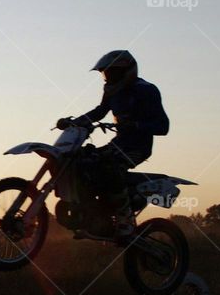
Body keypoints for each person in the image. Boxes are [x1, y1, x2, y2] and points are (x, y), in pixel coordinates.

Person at [56, 50, 169, 238]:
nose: (108, 78)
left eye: (113, 73)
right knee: (81, 160)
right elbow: (100, 111)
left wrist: (136, 124)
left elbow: (163, 126)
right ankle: (93, 213)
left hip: (137, 147)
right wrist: (74, 122)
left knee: (110, 167)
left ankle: (125, 220)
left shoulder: (146, 90)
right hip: (117, 143)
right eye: (106, 74)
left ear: (127, 71)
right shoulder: (112, 92)